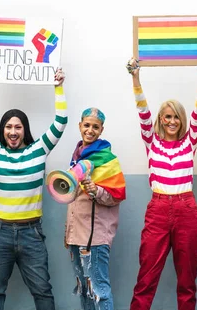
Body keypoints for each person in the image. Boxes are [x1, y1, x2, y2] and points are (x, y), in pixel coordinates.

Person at [0, 65, 67, 310]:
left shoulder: (39, 150)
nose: (13, 132)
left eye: (18, 127)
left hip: (31, 233)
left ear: (25, 130)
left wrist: (59, 87)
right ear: (3, 130)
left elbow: (61, 121)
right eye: (8, 127)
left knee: (43, 291)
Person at [128, 57, 197, 310]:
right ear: (160, 120)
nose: (171, 121)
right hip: (159, 210)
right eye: (166, 117)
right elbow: (142, 111)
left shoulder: (189, 141)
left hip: (186, 209)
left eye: (176, 117)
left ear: (181, 119)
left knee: (187, 281)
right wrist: (136, 79)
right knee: (146, 278)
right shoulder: (151, 141)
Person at [64, 107, 127, 310]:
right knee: (84, 289)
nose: (90, 130)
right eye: (87, 125)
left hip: (95, 239)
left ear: (101, 130)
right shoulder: (76, 158)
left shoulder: (108, 159)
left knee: (99, 290)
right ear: (80, 125)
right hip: (76, 236)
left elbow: (116, 196)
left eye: (95, 127)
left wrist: (96, 190)